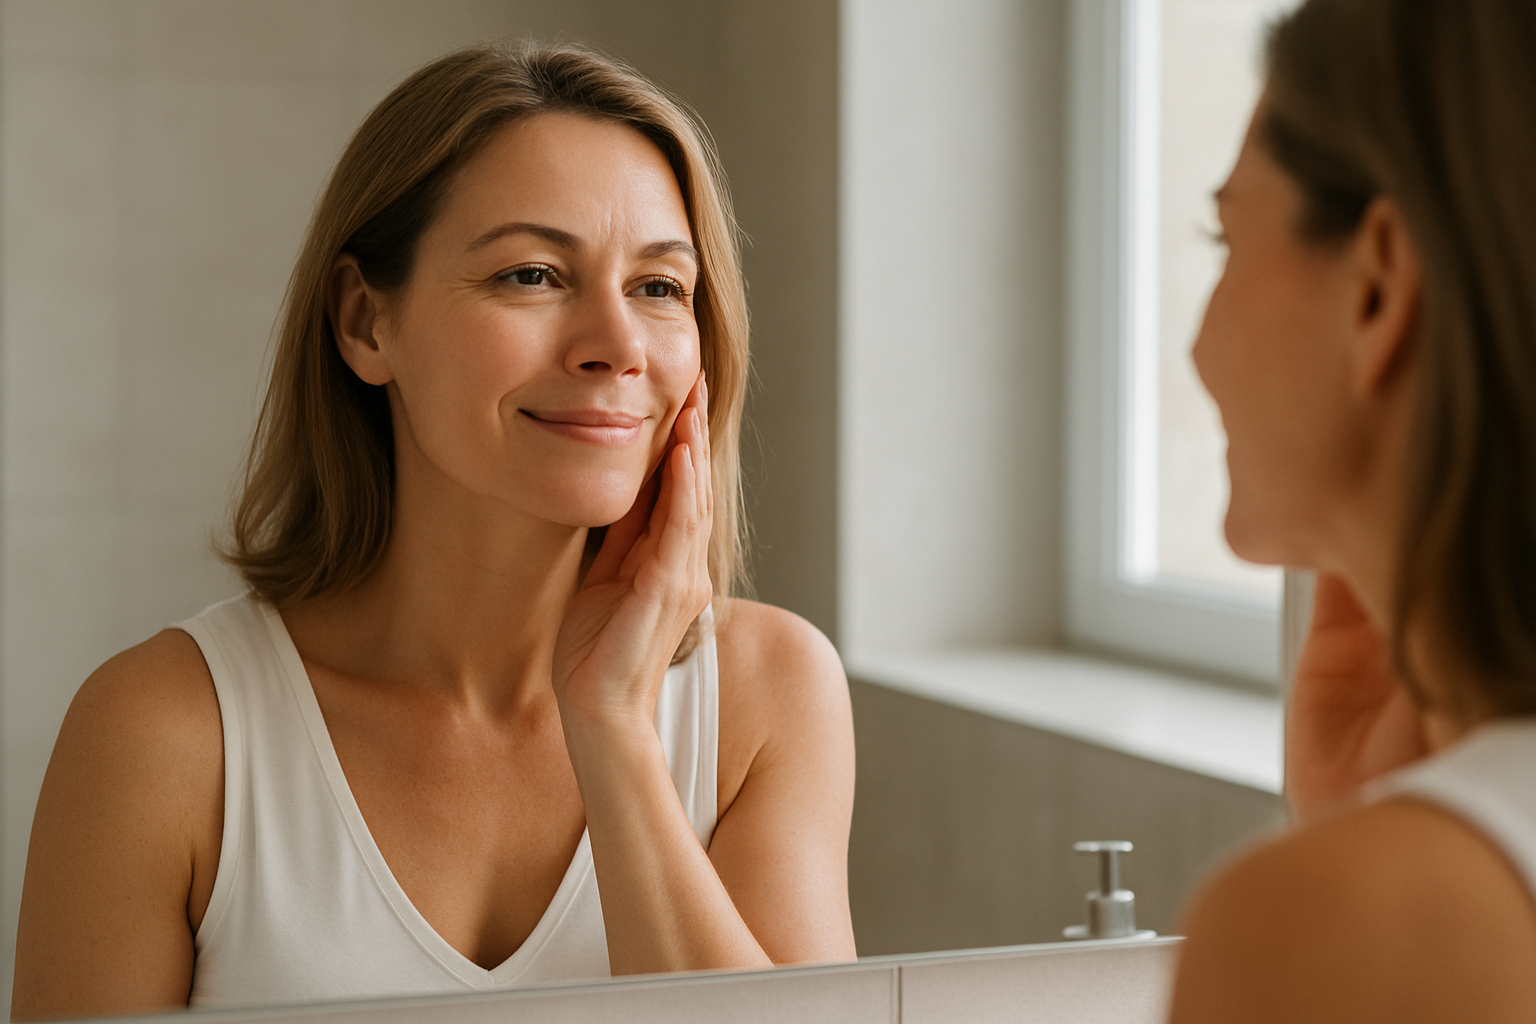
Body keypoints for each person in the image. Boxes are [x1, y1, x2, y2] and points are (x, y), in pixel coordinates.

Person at [12, 41, 856, 1019]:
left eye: (660, 287)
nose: (618, 346)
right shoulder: (166, 734)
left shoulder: (770, 695)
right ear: (367, 323)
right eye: (534, 275)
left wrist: (615, 727)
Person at [1169, 0, 1536, 1020]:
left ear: (1377, 282)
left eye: (1226, 237)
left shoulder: (1334, 921)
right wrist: (1365, 818)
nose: (1198, 346)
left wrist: (1355, 872)